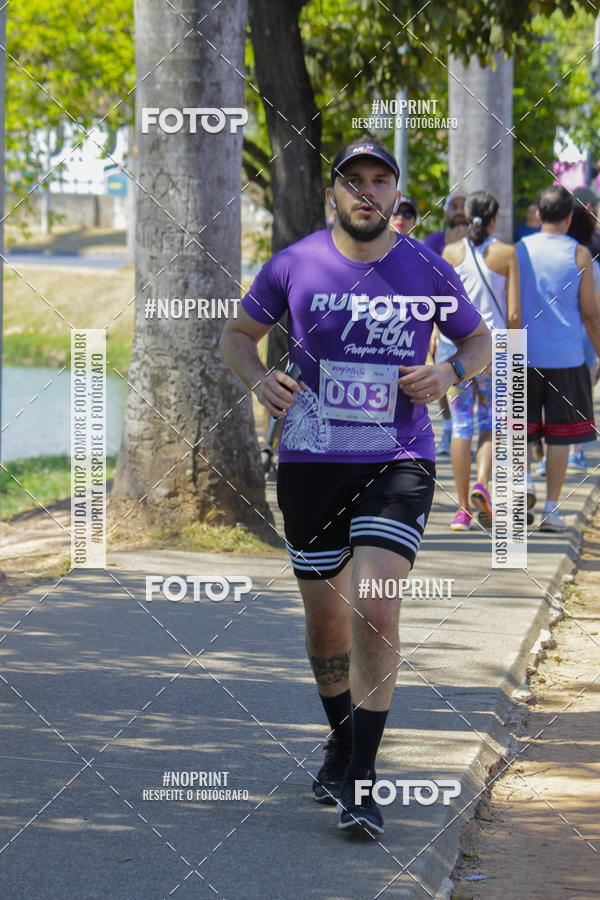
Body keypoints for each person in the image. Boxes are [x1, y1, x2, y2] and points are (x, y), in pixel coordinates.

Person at [220, 135, 491, 837]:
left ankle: (363, 780)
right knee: (326, 622)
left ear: (397, 195)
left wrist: (451, 374)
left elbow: (480, 342)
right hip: (311, 461)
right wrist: (259, 380)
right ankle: (341, 739)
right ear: (334, 194)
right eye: (354, 181)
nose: (367, 192)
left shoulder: (427, 266)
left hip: (399, 457)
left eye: (380, 180)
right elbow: (235, 336)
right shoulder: (294, 263)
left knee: (377, 606)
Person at [518, 185, 600, 532]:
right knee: (560, 437)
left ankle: (522, 486)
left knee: (519, 429)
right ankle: (551, 510)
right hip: (565, 357)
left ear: (538, 214)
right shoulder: (580, 255)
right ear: (569, 217)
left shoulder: (518, 250)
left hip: (522, 354)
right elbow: (591, 315)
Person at [442, 191, 521, 530]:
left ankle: (462, 509)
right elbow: (514, 313)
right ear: (494, 219)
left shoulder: (449, 253)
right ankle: (481, 484)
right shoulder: (507, 254)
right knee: (490, 423)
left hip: (454, 352)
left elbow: (441, 307)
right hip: (496, 351)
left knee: (461, 426)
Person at [423, 191, 468, 256]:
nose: (459, 211)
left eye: (464, 207)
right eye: (454, 207)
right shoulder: (433, 241)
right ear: (445, 215)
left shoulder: (481, 241)